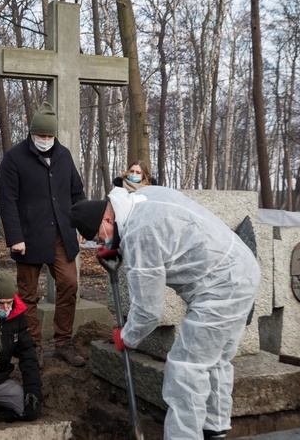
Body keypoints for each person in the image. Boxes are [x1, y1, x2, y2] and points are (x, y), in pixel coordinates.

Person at [69, 186, 260, 440]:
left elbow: (148, 311)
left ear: (107, 218)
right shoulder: (142, 197)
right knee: (215, 360)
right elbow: (161, 234)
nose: (103, 243)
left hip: (221, 285)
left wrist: (127, 337)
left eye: (100, 237)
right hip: (242, 267)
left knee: (185, 369)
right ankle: (214, 430)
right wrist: (119, 246)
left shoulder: (139, 234)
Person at [0, 101, 86, 369]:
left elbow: (76, 192)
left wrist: (82, 224)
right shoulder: (14, 158)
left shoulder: (64, 155)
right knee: (26, 294)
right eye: (41, 136)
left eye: (50, 136)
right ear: (32, 133)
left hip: (61, 232)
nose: (46, 140)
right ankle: (33, 346)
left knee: (69, 284)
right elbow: (7, 201)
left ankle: (63, 343)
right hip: (28, 236)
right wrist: (14, 237)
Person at [0, 272, 42, 423]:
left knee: (30, 410)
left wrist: (33, 391)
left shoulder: (17, 316)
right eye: (0, 303)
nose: (5, 308)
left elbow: (28, 354)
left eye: (9, 302)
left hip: (0, 382)